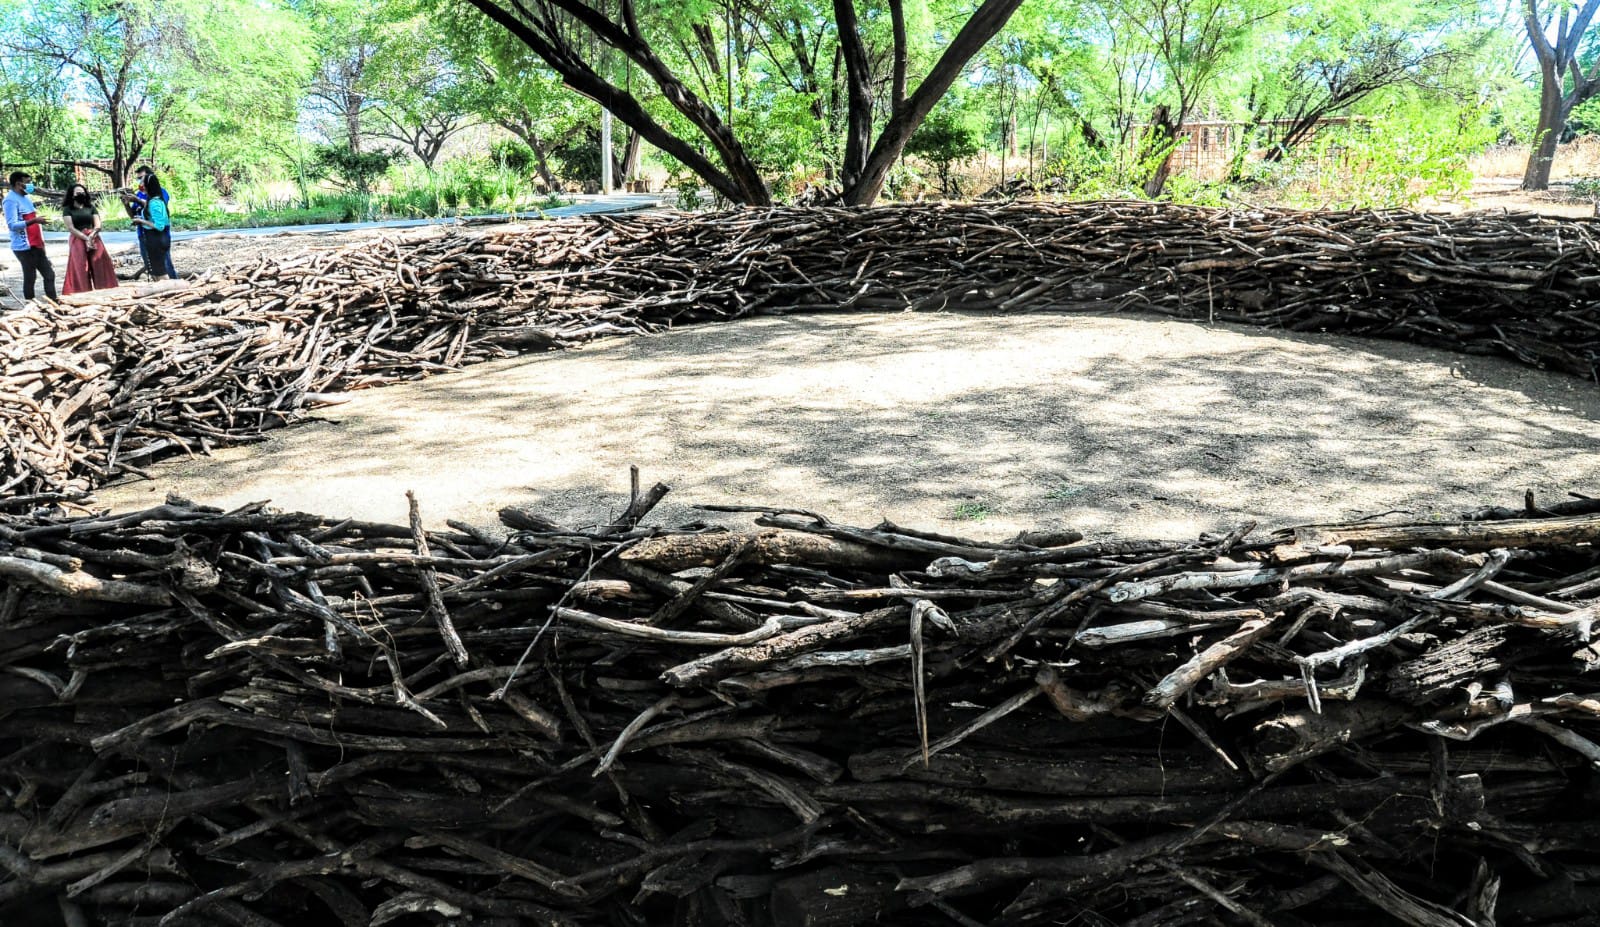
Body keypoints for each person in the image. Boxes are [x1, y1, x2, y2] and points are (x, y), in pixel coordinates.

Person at [3, 171, 55, 302]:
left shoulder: (26, 198)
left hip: (36, 243)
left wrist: (42, 242)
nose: (31, 185)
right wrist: (34, 221)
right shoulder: (10, 200)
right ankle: (30, 304)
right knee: (30, 276)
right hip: (23, 246)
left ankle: (53, 301)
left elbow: (35, 222)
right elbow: (12, 225)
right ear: (18, 184)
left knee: (49, 274)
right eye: (28, 182)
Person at [60, 183, 118, 295]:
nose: (80, 194)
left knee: (100, 264)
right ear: (72, 195)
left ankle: (105, 290)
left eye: (82, 192)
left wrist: (91, 236)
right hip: (77, 238)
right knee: (81, 266)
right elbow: (71, 228)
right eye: (78, 193)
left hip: (94, 237)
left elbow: (98, 225)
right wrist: (85, 238)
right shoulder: (67, 209)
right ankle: (81, 292)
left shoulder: (91, 207)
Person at [121, 164, 177, 279]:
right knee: (151, 266)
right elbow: (134, 214)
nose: (140, 182)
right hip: (144, 235)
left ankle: (174, 286)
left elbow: (158, 216)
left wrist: (138, 202)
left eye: (142, 178)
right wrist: (126, 204)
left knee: (164, 266)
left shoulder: (160, 194)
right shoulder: (141, 195)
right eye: (138, 179)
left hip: (158, 237)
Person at [129, 173, 172, 281]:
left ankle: (169, 291)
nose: (140, 184)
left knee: (160, 271)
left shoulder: (155, 202)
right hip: (152, 239)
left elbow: (159, 226)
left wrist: (141, 221)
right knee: (155, 270)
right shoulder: (152, 200)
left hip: (157, 239)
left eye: (142, 181)